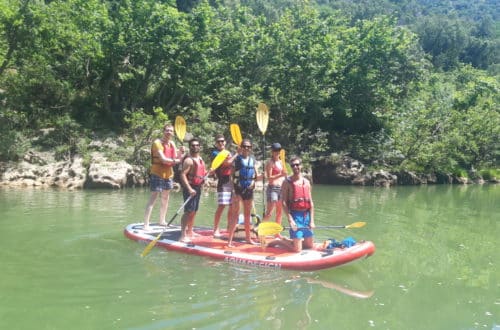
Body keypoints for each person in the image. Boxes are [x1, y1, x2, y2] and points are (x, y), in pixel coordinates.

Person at [268, 156, 315, 252]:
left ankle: (288, 240)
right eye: (293, 165)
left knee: (309, 246)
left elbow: (311, 203)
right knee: (297, 249)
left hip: (306, 215)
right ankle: (279, 242)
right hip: (295, 215)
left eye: (297, 165)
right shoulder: (287, 182)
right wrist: (290, 219)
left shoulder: (306, 182)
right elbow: (283, 202)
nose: (295, 167)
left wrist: (311, 221)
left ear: (301, 166)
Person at [143, 123, 184, 231]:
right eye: (167, 130)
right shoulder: (157, 143)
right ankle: (146, 224)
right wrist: (178, 160)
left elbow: (176, 158)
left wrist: (181, 152)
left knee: (165, 198)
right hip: (157, 173)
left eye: (171, 131)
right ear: (163, 131)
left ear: (173, 133)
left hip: (168, 174)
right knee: (153, 198)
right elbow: (163, 159)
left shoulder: (172, 144)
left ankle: (162, 221)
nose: (169, 132)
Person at [227, 139, 262, 247]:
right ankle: (229, 241)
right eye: (244, 146)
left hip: (249, 190)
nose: (246, 148)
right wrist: (233, 191)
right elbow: (230, 176)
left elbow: (256, 177)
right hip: (238, 189)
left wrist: (263, 177)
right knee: (235, 215)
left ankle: (248, 239)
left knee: (247, 215)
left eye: (248, 147)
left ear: (251, 148)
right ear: (241, 147)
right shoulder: (237, 159)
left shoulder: (252, 160)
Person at [179, 138, 207, 242]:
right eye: (193, 145)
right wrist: (189, 189)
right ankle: (182, 235)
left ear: (199, 146)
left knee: (194, 211)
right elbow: (182, 175)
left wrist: (209, 173)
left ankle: (190, 231)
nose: (195, 147)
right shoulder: (188, 160)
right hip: (190, 188)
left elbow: (201, 173)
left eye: (197, 145)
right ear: (190, 147)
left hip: (197, 188)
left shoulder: (200, 159)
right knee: (188, 211)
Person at [210, 134, 238, 238]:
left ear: (225, 142)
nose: (221, 143)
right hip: (222, 182)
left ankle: (229, 227)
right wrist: (237, 154)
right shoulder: (215, 153)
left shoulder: (228, 153)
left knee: (231, 206)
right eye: (218, 141)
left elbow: (233, 166)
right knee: (221, 206)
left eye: (222, 141)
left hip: (231, 182)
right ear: (216, 143)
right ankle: (215, 229)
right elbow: (227, 163)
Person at [262, 142, 287, 224]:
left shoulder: (281, 162)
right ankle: (262, 231)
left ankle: (277, 233)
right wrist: (281, 174)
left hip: (281, 189)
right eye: (275, 150)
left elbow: (285, 176)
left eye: (278, 150)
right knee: (269, 212)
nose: (277, 152)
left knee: (279, 212)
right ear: (272, 152)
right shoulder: (270, 162)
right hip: (273, 189)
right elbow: (269, 179)